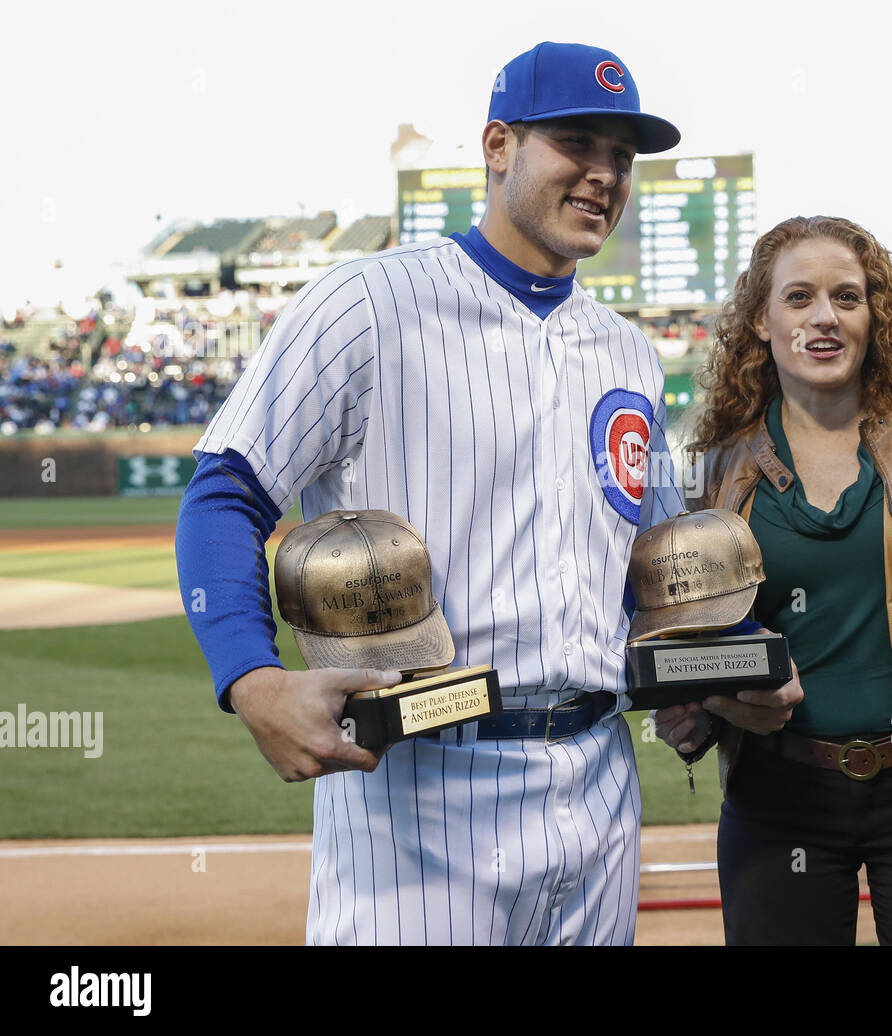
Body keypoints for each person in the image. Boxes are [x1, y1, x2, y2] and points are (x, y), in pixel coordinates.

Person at [175, 41, 684, 945]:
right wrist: (251, 681)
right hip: (423, 794)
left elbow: (648, 566)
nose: (605, 174)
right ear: (498, 146)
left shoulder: (629, 351)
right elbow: (225, 492)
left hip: (601, 788)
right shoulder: (368, 303)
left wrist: (711, 676)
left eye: (623, 155)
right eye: (578, 141)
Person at [655, 215, 892, 945]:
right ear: (762, 324)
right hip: (778, 797)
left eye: (847, 297)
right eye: (798, 298)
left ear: (875, 318)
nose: (824, 316)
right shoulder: (715, 471)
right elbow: (690, 647)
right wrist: (699, 708)